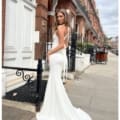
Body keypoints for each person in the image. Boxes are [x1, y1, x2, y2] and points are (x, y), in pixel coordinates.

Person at [36, 9, 92, 120]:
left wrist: (49, 52)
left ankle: (58, 108)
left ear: (65, 17)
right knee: (56, 82)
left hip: (56, 57)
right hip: (60, 58)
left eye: (61, 16)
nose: (58, 18)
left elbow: (61, 45)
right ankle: (57, 106)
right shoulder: (68, 29)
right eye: (57, 16)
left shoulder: (60, 28)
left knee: (55, 82)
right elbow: (66, 44)